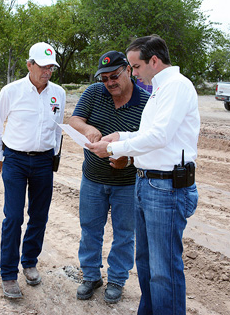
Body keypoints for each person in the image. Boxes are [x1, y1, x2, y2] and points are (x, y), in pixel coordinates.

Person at [87, 35, 200, 314]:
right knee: (148, 265)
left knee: (164, 270)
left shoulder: (176, 87)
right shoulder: (161, 89)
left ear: (153, 61)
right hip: (149, 183)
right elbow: (149, 134)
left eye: (135, 67)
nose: (133, 73)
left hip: (167, 188)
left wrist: (113, 147)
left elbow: (159, 136)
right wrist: (122, 136)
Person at [69, 50, 149, 304]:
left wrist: (129, 159)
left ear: (128, 69)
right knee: (90, 229)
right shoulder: (94, 92)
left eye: (114, 76)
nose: (109, 83)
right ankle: (91, 276)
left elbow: (150, 144)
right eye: (104, 79)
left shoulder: (147, 102)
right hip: (92, 178)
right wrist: (87, 127)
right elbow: (74, 120)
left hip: (127, 183)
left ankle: (116, 279)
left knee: (125, 233)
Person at [0, 42, 66, 299]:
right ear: (29, 65)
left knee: (39, 215)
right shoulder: (11, 91)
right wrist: (1, 158)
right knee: (13, 217)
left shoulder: (59, 93)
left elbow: (57, 129)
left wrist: (54, 156)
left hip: (44, 161)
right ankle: (8, 274)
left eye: (51, 67)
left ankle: (29, 261)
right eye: (43, 67)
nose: (48, 72)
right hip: (15, 160)